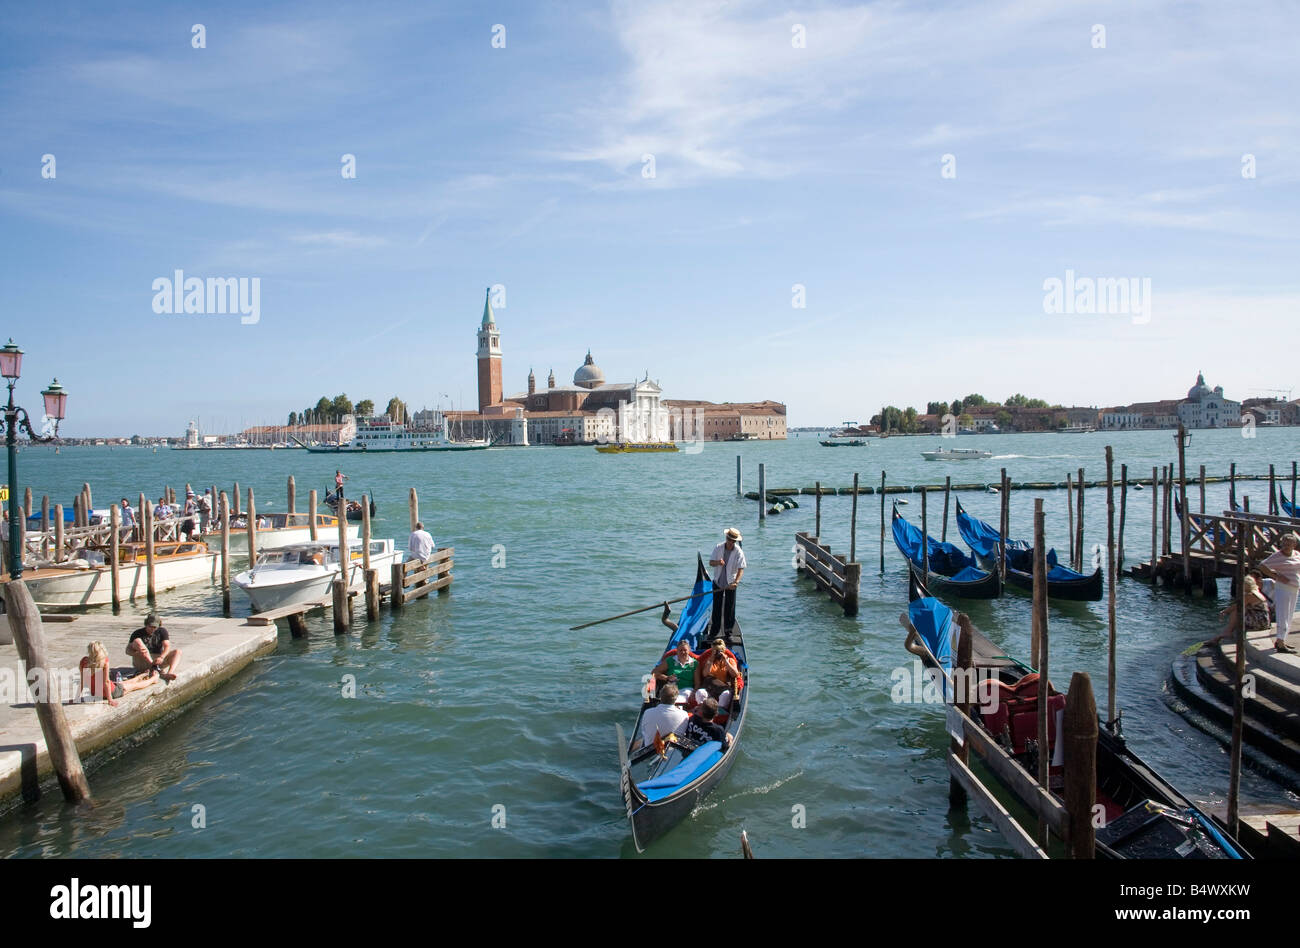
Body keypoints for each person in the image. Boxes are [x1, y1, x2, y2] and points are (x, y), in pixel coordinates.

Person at [1258, 533, 1300, 653]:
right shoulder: (1277, 556)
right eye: (1284, 544)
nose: (1286, 546)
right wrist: (1276, 576)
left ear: (1294, 545)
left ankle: (1282, 640)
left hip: (1294, 588)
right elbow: (1262, 566)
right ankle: (1280, 643)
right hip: (1283, 589)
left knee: (1290, 615)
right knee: (1283, 614)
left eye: (1289, 544)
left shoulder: (1297, 554)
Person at [80, 641, 156, 707]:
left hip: (95, 693)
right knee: (133, 686)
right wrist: (110, 700)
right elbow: (106, 682)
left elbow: (82, 681)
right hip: (111, 692)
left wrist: (78, 697)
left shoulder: (84, 661)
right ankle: (153, 679)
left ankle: (141, 676)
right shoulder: (104, 661)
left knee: (121, 683)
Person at [1211, 573, 1271, 644]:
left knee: (1236, 611)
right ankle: (1227, 631)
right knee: (1240, 610)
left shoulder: (1249, 595)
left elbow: (1236, 606)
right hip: (1263, 620)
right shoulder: (1256, 592)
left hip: (1260, 622)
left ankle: (1228, 632)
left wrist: (1224, 611)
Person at [709, 527, 746, 634]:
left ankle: (728, 632)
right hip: (718, 582)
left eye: (733, 541)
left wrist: (736, 582)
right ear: (726, 538)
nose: (730, 542)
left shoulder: (739, 551)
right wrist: (718, 562)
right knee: (717, 607)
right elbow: (711, 563)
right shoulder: (718, 547)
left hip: (731, 583)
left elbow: (741, 568)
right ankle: (714, 631)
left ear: (735, 541)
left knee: (730, 609)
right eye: (729, 540)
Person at [126, 613, 182, 681]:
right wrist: (138, 653)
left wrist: (162, 657)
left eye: (155, 627)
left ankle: (169, 673)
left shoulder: (162, 631)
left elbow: (167, 646)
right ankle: (153, 667)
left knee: (177, 652)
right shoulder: (137, 633)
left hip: (157, 660)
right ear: (146, 624)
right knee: (137, 641)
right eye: (150, 626)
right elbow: (127, 651)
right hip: (142, 660)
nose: (152, 629)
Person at [634, 683, 689, 750]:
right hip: (671, 750)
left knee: (641, 739)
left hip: (650, 750)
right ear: (676, 698)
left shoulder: (647, 712)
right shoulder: (684, 714)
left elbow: (644, 731)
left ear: (660, 696)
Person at [694, 637, 739, 710]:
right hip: (710, 688)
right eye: (715, 651)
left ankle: (720, 711)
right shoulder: (709, 661)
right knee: (700, 692)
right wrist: (711, 660)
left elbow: (735, 674)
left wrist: (726, 662)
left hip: (723, 689)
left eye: (719, 651)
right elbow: (705, 674)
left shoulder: (730, 660)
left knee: (726, 694)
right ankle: (703, 709)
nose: (718, 653)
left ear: (723, 651)